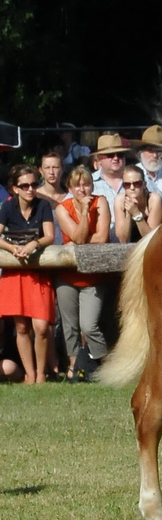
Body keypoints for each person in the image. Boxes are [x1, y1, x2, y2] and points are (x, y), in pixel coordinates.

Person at [54, 164, 112, 379]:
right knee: (70, 327)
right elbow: (81, 238)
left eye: (86, 184)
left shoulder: (101, 202)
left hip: (93, 276)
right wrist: (83, 236)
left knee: (89, 325)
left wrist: (86, 211)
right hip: (67, 275)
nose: (82, 189)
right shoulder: (62, 208)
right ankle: (73, 368)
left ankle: (102, 365)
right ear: (70, 188)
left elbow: (101, 238)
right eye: (77, 186)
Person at [0, 163, 57, 381]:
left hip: (38, 273)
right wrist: (11, 247)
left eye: (34, 184)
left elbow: (50, 236)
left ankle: (41, 374)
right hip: (14, 273)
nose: (30, 189)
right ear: (15, 188)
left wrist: (34, 244)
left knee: (41, 326)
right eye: (25, 186)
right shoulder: (7, 208)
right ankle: (31, 375)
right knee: (21, 327)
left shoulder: (43, 206)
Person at [113, 161, 162, 242]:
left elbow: (150, 239)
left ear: (144, 184)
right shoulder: (119, 200)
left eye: (137, 184)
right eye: (127, 184)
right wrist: (128, 213)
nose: (132, 188)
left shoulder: (153, 199)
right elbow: (123, 239)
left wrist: (136, 214)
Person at [91, 132, 133, 213]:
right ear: (99, 159)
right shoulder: (88, 182)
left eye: (120, 154)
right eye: (110, 155)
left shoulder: (138, 178)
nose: (116, 158)